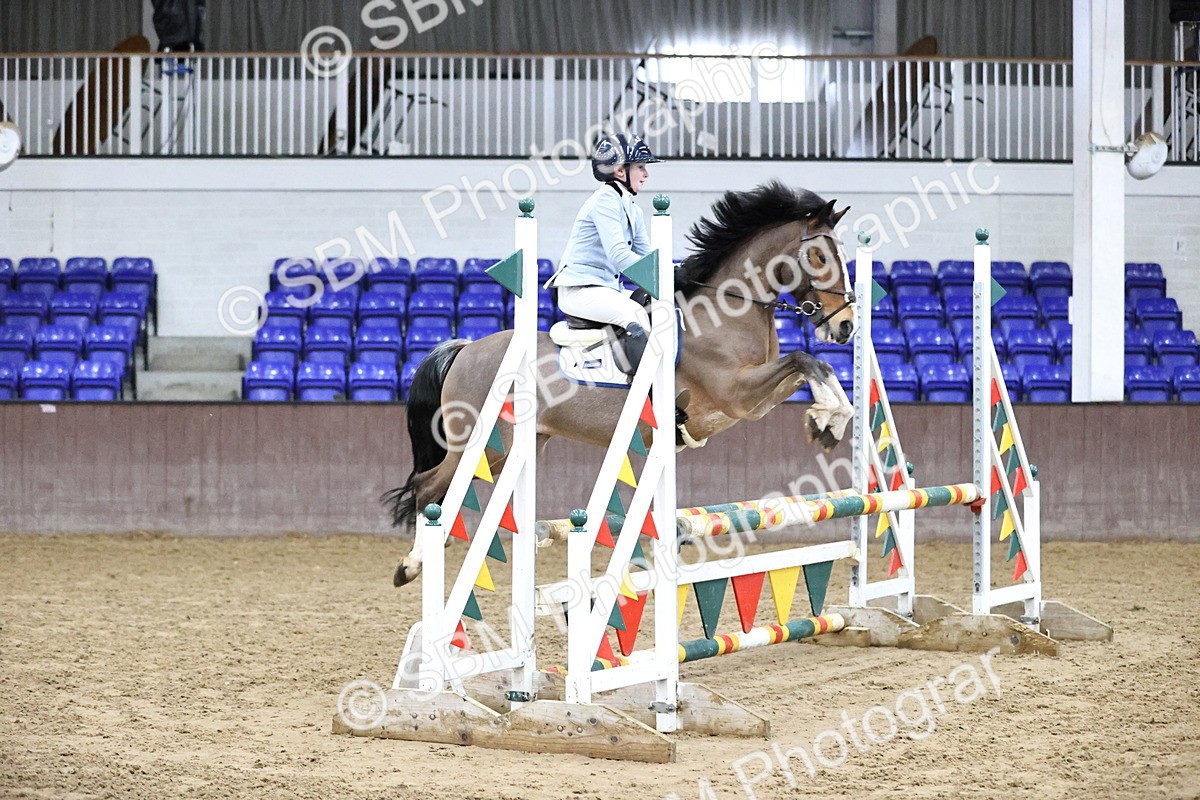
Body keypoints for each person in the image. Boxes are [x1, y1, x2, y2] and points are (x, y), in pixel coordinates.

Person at [549, 133, 663, 375]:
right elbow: (620, 256)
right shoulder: (604, 201)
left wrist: (676, 273)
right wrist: (662, 276)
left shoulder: (632, 208)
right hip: (580, 291)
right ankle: (646, 392)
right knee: (635, 315)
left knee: (656, 305)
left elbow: (647, 257)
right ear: (621, 171)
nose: (646, 174)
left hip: (604, 289)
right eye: (641, 167)